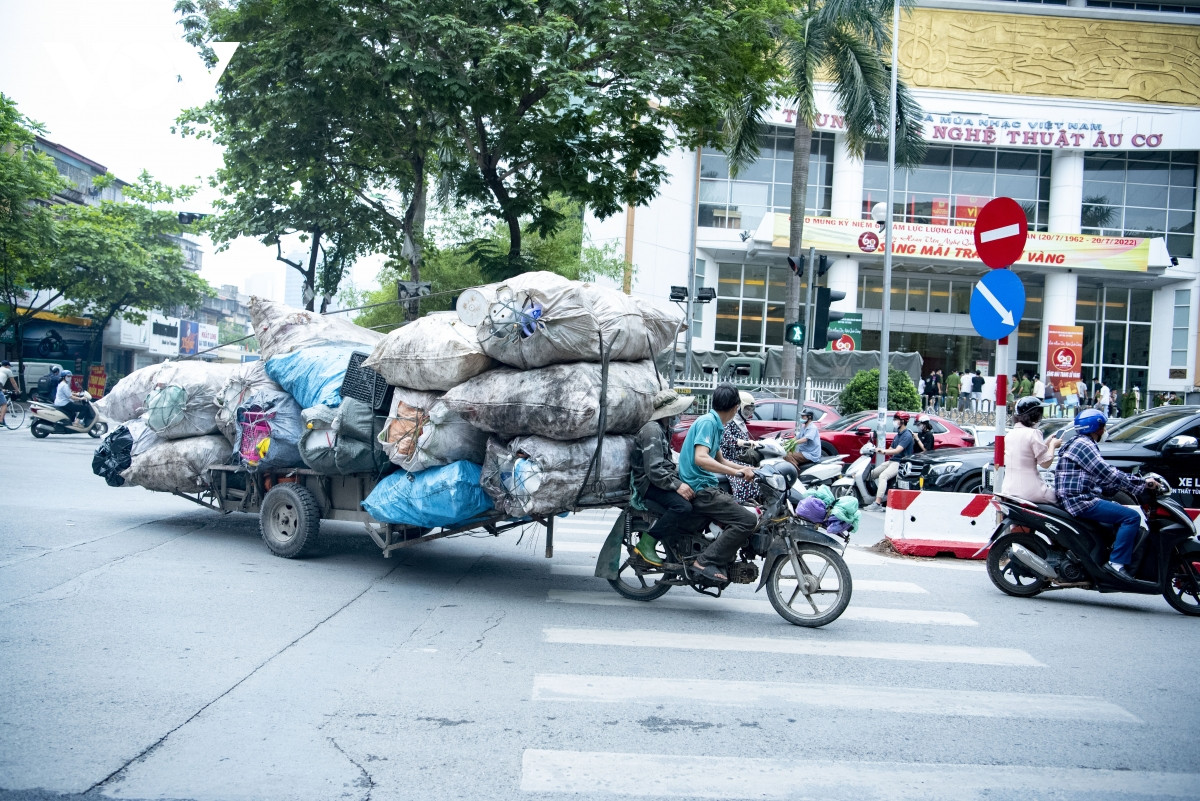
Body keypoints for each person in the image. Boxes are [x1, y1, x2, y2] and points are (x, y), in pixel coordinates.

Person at [1055, 409, 1159, 582]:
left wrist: (1117, 488)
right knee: (1131, 517)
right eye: (1103, 426)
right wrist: (1141, 485)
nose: (1105, 431)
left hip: (1079, 497)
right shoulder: (1084, 445)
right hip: (1080, 501)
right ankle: (1116, 564)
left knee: (1118, 513)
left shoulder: (1080, 442)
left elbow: (1100, 478)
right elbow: (1107, 473)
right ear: (1096, 428)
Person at [679, 383, 759, 583]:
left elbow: (720, 460)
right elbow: (701, 458)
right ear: (735, 407)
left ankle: (722, 558)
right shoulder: (708, 422)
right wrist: (736, 473)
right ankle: (705, 561)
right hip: (700, 488)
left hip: (707, 485)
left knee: (744, 508)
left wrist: (747, 469)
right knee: (748, 520)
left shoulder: (716, 424)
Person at [630, 389, 697, 566]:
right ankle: (647, 543)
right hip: (648, 484)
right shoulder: (652, 430)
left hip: (659, 479)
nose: (680, 414)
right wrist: (677, 485)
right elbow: (654, 470)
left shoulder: (663, 428)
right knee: (682, 506)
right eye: (678, 410)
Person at [1004, 396, 1061, 504]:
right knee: (1060, 502)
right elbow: (1045, 463)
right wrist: (1053, 445)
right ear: (1035, 414)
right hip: (1032, 491)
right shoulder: (1033, 433)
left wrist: (1047, 442)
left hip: (1009, 490)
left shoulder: (1010, 434)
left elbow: (1027, 453)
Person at [865, 411, 914, 511]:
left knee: (883, 476)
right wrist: (877, 449)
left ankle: (877, 503)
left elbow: (897, 450)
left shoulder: (907, 435)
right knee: (871, 474)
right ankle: (871, 496)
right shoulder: (898, 435)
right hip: (892, 461)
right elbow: (891, 448)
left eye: (896, 420)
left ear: (903, 421)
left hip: (900, 462)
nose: (894, 422)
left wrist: (883, 451)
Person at [720, 392, 759, 503]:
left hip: (738, 457)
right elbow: (727, 439)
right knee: (745, 476)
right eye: (746, 408)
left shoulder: (741, 422)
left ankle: (753, 500)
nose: (748, 412)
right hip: (728, 458)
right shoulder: (730, 421)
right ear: (739, 407)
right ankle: (741, 502)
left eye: (751, 409)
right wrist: (745, 443)